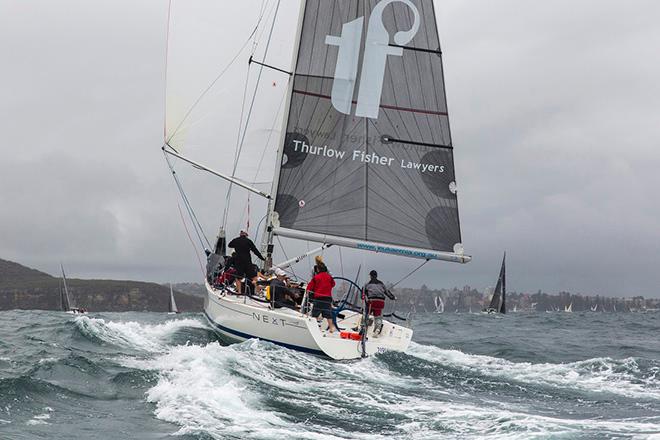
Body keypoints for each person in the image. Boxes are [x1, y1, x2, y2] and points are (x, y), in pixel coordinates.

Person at [306, 259, 336, 333]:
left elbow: (310, 287)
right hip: (328, 298)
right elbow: (333, 284)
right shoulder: (329, 277)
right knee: (328, 314)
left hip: (319, 298)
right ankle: (332, 328)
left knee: (315, 314)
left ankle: (314, 328)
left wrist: (307, 293)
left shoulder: (316, 277)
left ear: (318, 270)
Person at [363, 270, 396, 336]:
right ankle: (377, 329)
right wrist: (393, 297)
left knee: (366, 315)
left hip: (372, 302)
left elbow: (364, 294)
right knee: (378, 317)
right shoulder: (381, 284)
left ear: (370, 276)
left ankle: (363, 328)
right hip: (380, 303)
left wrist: (366, 300)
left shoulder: (367, 284)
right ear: (376, 276)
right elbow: (387, 293)